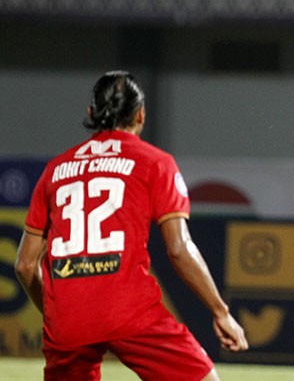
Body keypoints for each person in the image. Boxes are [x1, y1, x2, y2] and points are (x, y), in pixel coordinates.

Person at [15, 71, 248, 380]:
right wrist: (221, 312)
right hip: (130, 311)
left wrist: (58, 314)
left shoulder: (55, 170)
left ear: (91, 113)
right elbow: (179, 248)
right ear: (141, 114)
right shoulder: (155, 162)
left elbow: (25, 265)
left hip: (68, 320)